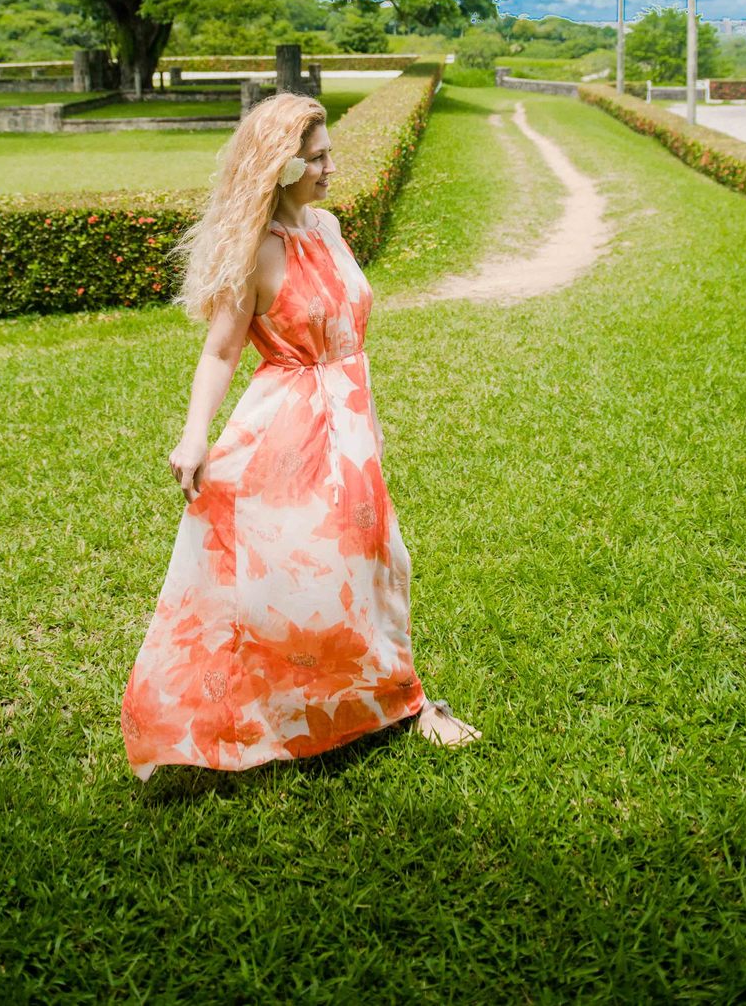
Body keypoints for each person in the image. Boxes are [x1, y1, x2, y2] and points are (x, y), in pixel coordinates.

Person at [120, 89, 481, 781]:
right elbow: (221, 352)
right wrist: (194, 439)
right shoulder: (257, 252)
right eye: (315, 159)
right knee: (303, 570)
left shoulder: (331, 228)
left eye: (329, 154)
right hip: (291, 421)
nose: (329, 169)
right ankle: (325, 707)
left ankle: (381, 698)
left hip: (351, 418)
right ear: (281, 167)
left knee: (374, 559)